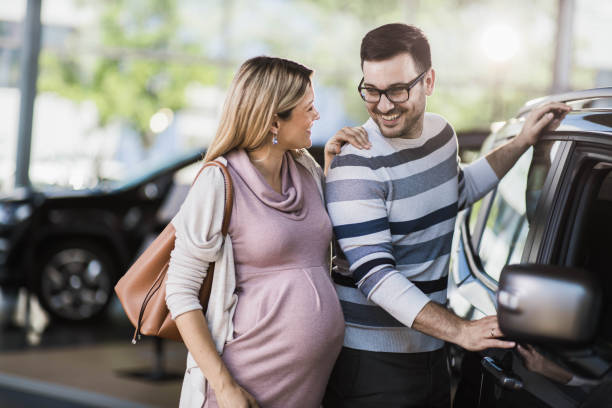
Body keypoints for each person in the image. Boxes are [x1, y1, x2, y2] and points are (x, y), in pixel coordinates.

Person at [322, 23, 571, 407]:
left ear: (429, 81)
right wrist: (461, 331)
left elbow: (461, 190)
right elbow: (375, 276)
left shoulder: (442, 135)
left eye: (397, 90)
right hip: (372, 364)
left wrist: (522, 141)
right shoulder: (355, 165)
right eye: (372, 90)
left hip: (431, 350)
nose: (383, 105)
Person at [164, 56, 365, 408]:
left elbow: (324, 241)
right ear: (274, 120)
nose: (317, 115)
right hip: (247, 382)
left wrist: (333, 168)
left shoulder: (305, 168)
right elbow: (180, 293)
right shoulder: (219, 181)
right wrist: (226, 389)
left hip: (307, 387)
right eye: (309, 108)